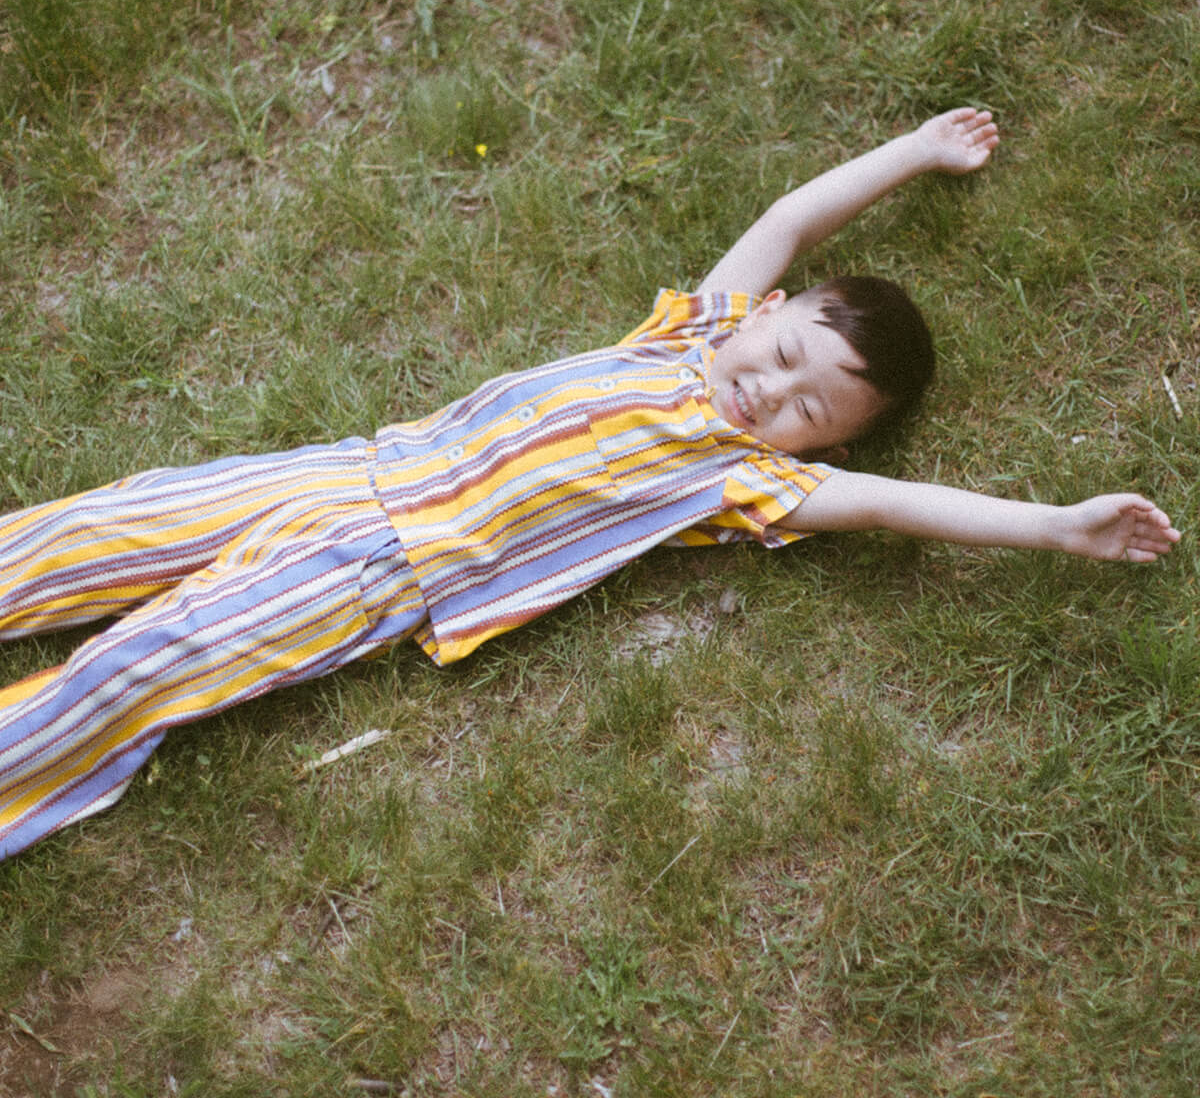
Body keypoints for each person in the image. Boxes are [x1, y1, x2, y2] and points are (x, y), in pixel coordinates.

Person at [0, 108, 1179, 859]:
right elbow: (788, 217)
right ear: (762, 313)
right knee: (94, 529)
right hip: (346, 469)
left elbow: (891, 505)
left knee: (145, 666)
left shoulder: (747, 480)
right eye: (781, 355)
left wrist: (1057, 526)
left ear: (817, 452)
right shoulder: (689, 331)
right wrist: (917, 151)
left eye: (809, 410)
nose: (771, 391)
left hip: (381, 573)